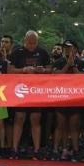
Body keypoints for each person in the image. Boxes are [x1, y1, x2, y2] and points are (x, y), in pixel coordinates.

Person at [8, 30, 50, 159]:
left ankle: (37, 150)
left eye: (34, 43)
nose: (31, 45)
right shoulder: (16, 52)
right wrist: (23, 70)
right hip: (20, 90)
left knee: (35, 119)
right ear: (24, 40)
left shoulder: (43, 52)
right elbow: (9, 71)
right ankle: (14, 148)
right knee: (19, 118)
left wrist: (42, 71)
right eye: (29, 43)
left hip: (36, 91)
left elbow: (50, 70)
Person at [52, 40, 84, 161]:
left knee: (74, 126)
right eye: (65, 48)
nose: (67, 50)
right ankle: (58, 150)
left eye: (70, 48)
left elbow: (82, 78)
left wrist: (73, 65)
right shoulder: (58, 62)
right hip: (60, 97)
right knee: (60, 125)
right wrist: (67, 65)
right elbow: (56, 76)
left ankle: (75, 151)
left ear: (75, 49)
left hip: (76, 98)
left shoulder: (81, 63)